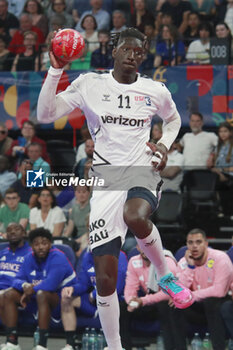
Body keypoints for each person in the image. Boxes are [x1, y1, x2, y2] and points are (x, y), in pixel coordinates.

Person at [37, 27, 194, 350]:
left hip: (141, 169)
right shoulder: (90, 84)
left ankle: (165, 274)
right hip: (106, 181)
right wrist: (56, 69)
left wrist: (163, 145)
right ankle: (114, 346)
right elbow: (45, 113)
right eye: (128, 50)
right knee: (105, 279)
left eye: (140, 51)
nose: (134, 56)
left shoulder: (155, 90)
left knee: (135, 215)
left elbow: (174, 120)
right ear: (114, 51)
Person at [0, 227, 78, 350]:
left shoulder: (58, 257)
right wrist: (24, 286)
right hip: (36, 297)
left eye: (44, 243)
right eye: (36, 244)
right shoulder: (28, 258)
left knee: (42, 293)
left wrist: (30, 290)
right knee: (8, 294)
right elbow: (17, 279)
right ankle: (12, 340)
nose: (40, 247)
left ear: (50, 244)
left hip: (61, 300)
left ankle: (42, 344)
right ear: (31, 246)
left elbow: (50, 285)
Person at [175, 228, 233, 350]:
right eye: (190, 242)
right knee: (173, 305)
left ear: (206, 244)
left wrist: (190, 295)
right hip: (195, 304)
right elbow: (178, 291)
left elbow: (219, 291)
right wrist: (190, 267)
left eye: (198, 242)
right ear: (186, 245)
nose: (194, 246)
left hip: (218, 301)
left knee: (212, 302)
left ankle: (219, 347)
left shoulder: (220, 259)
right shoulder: (183, 262)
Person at [121, 245, 187, 350]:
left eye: (148, 245)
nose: (145, 249)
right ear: (138, 247)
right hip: (147, 302)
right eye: (142, 245)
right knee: (122, 307)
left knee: (168, 305)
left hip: (162, 301)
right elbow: (130, 288)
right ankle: (124, 347)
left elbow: (168, 292)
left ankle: (173, 347)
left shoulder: (166, 262)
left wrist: (142, 301)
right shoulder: (134, 261)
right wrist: (131, 302)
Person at [61, 248, 128, 350]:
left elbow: (117, 286)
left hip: (115, 302)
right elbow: (83, 284)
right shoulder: (87, 256)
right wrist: (72, 289)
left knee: (113, 300)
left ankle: (112, 345)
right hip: (94, 302)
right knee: (67, 299)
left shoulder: (119, 255)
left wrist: (95, 294)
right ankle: (70, 344)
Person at [0, 223, 31, 323]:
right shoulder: (2, 252)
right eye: (9, 230)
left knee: (2, 295)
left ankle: (11, 334)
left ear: (24, 233)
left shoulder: (30, 253)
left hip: (16, 290)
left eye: (16, 229)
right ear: (6, 235)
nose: (12, 232)